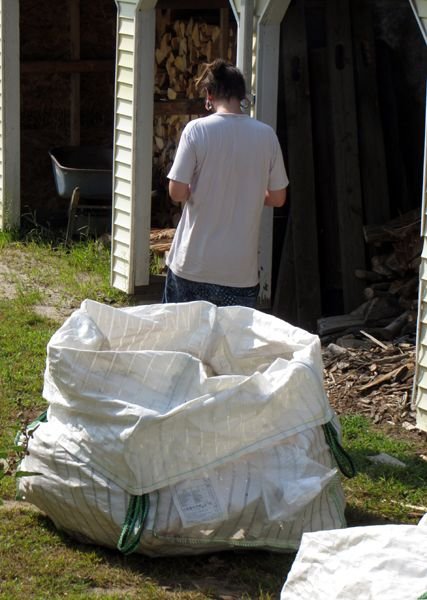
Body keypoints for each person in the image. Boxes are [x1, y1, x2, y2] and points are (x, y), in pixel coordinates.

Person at [162, 58, 289, 308]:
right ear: (241, 95)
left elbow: (176, 192)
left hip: (193, 266)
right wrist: (250, 193)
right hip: (239, 273)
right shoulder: (266, 135)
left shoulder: (196, 130)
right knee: (231, 346)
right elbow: (278, 198)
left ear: (209, 94)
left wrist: (203, 189)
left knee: (181, 342)